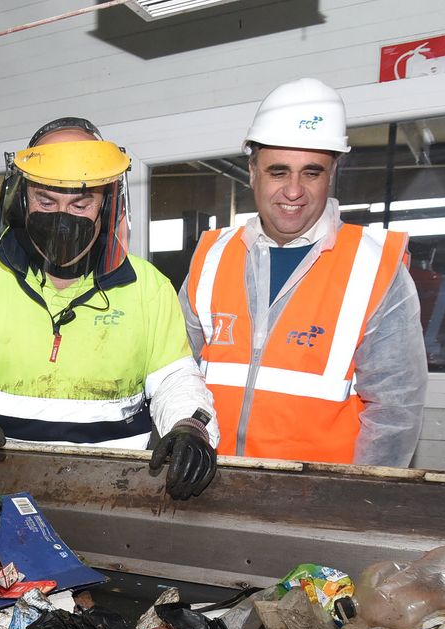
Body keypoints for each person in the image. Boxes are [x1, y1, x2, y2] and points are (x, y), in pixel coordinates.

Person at [0, 117, 219, 500]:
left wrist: (191, 425)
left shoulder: (148, 288)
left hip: (115, 496)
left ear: (107, 205)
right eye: (46, 201)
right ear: (21, 200)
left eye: (80, 203)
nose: (62, 219)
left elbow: (175, 379)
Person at [181, 78, 426, 466]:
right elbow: (179, 374)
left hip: (315, 499)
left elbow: (395, 412)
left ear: (332, 174)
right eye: (278, 172)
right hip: (209, 481)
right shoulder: (212, 255)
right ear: (252, 172)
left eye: (311, 173)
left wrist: (353, 502)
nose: (293, 191)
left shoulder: (377, 267)